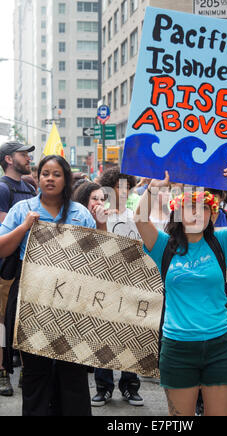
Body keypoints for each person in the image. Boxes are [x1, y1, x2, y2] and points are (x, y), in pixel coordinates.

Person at [134, 163, 227, 416]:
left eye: (203, 209)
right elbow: (140, 219)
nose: (196, 214)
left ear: (213, 215)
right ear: (177, 214)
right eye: (189, 208)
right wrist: (154, 188)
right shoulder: (163, 246)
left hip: (220, 345)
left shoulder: (222, 241)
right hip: (177, 347)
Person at [0, 155, 96, 416]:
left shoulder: (80, 213)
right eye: (45, 173)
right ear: (38, 178)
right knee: (36, 372)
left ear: (66, 179)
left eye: (56, 174)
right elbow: (2, 247)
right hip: (31, 299)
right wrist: (24, 227)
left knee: (73, 371)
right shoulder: (23, 210)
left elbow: (97, 260)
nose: (50, 179)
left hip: (73, 304)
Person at [90, 167, 144, 408]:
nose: (122, 191)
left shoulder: (137, 215)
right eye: (117, 187)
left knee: (131, 334)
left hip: (134, 282)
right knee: (103, 334)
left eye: (127, 187)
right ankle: (103, 386)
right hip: (105, 282)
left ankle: (130, 385)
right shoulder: (99, 216)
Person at [0, 141, 36, 397]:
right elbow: (5, 230)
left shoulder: (29, 187)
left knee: (27, 321)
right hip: (6, 268)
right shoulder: (3, 188)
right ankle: (3, 373)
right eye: (23, 154)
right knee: (2, 324)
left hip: (29, 266)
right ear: (9, 159)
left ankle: (27, 370)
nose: (28, 158)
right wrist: (24, 225)